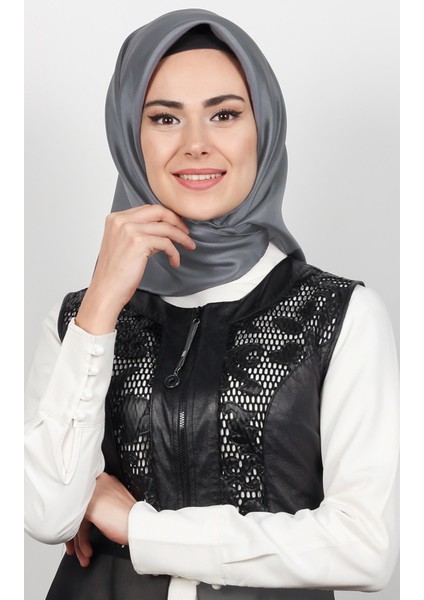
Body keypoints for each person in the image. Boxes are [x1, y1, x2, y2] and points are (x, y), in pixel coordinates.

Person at [24, 8, 399, 600]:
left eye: (224, 114)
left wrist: (135, 525)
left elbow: (365, 547)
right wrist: (101, 305)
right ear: (129, 138)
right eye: (164, 118)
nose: (196, 144)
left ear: (263, 128)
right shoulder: (76, 319)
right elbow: (45, 513)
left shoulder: (340, 316)